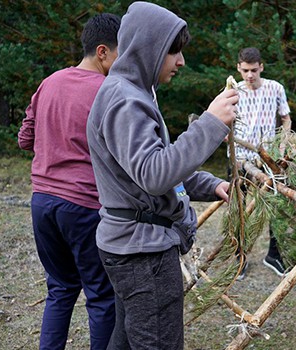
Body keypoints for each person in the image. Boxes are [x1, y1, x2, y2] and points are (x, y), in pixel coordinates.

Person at [85, 2, 238, 349]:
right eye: (174, 52)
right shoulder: (125, 100)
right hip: (144, 255)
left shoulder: (134, 93)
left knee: (126, 341)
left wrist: (211, 184)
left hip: (134, 245)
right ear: (148, 48)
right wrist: (210, 123)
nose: (181, 62)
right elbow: (154, 175)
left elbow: (155, 168)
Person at [17, 13, 120, 350]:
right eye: (121, 53)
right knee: (101, 296)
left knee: (60, 289)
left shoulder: (51, 81)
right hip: (83, 205)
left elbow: (25, 139)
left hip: (42, 202)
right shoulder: (107, 91)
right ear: (102, 51)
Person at [230, 47, 291, 279]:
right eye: (245, 70)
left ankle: (274, 254)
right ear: (238, 68)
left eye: (254, 70)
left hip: (268, 156)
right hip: (240, 158)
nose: (249, 75)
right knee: (239, 208)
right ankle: (240, 256)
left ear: (261, 67)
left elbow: (286, 119)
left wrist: (283, 145)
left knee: (274, 206)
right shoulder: (233, 90)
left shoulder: (275, 88)